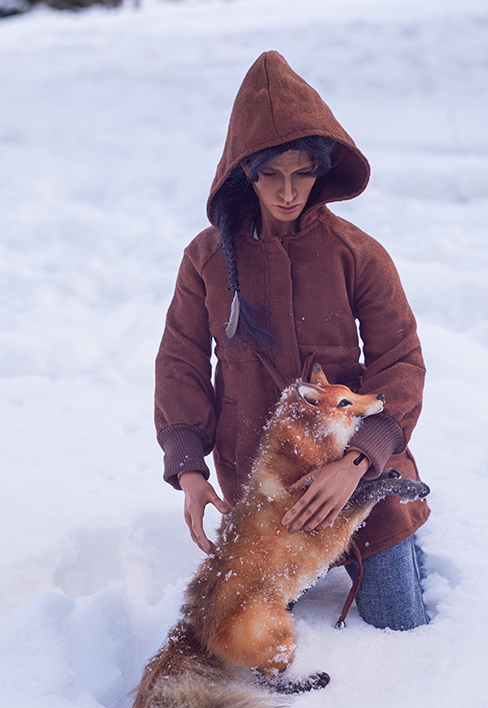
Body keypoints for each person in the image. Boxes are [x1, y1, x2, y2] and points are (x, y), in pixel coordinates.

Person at [154, 51, 430, 631]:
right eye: (271, 175)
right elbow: (180, 362)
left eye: (302, 172)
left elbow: (400, 360)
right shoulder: (205, 259)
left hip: (359, 476)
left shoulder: (358, 253)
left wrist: (358, 462)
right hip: (264, 488)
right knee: (244, 631)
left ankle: (403, 528)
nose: (288, 191)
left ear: (322, 169)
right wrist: (189, 469)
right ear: (244, 173)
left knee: (397, 623)